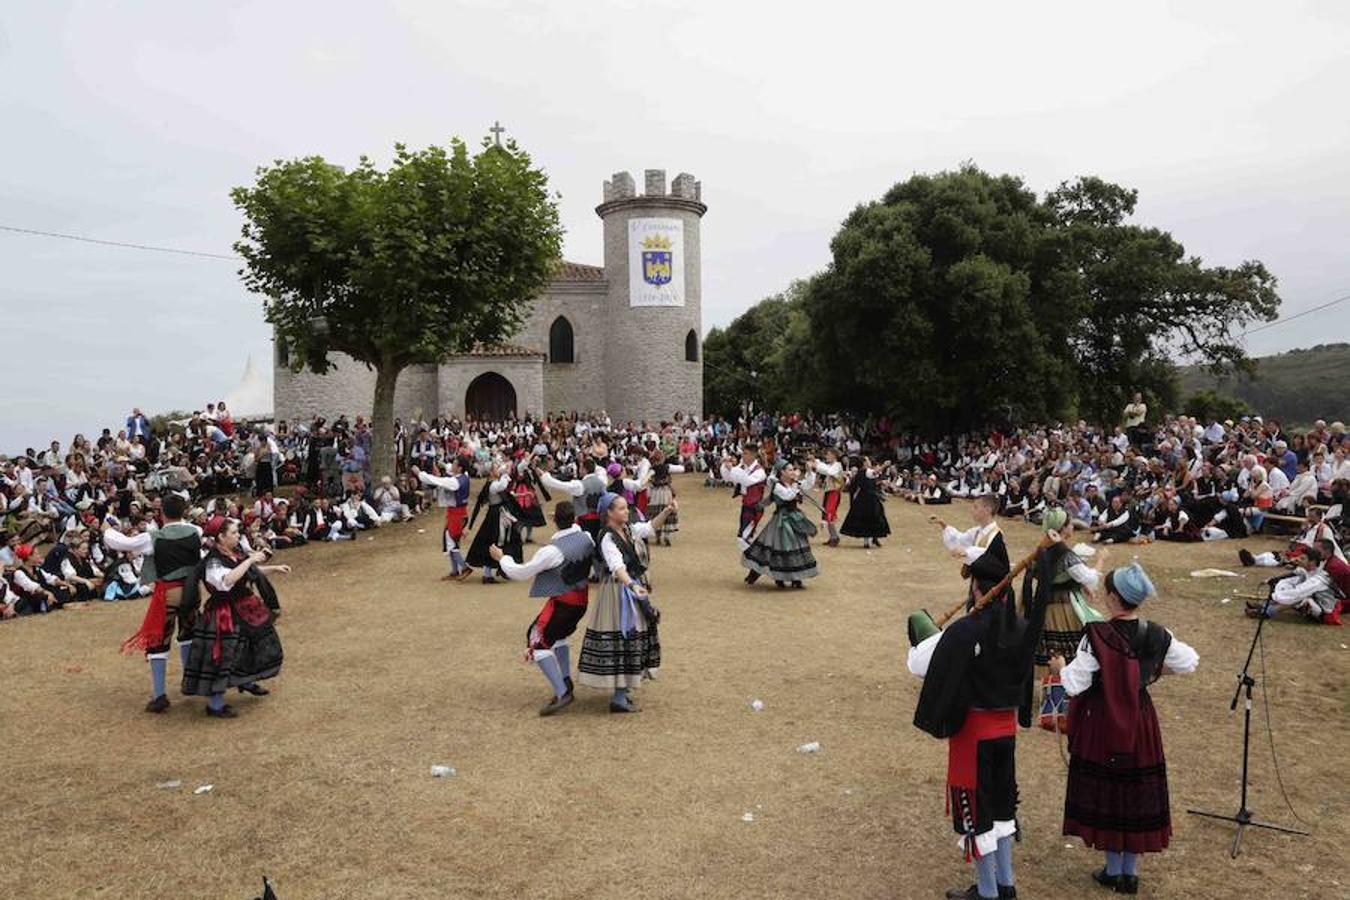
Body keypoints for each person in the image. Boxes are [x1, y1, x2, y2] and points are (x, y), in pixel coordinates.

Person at [907, 530, 1057, 900]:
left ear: (978, 588)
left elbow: (917, 664)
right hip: (1005, 733)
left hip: (973, 737)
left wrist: (928, 636)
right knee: (1002, 810)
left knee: (981, 814)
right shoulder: (1020, 628)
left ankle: (988, 892)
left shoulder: (965, 631)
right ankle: (1004, 885)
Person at [1052, 563, 1199, 895]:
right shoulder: (1158, 634)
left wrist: (1060, 668)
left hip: (1104, 719)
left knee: (1109, 790)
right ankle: (1127, 874)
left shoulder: (1096, 636)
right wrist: (1147, 674)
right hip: (1139, 719)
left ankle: (1113, 870)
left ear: (1114, 598)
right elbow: (1188, 661)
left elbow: (1075, 683)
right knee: (1134, 791)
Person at [491, 501, 597, 715]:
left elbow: (521, 573)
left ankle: (562, 692)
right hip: (580, 602)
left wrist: (503, 558)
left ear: (554, 520)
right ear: (574, 519)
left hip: (563, 605)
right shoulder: (586, 538)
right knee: (560, 637)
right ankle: (565, 681)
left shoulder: (551, 551)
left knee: (537, 642)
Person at [576, 492, 674, 713]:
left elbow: (649, 528)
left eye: (625, 507)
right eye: (620, 508)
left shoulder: (628, 529)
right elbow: (616, 566)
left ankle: (623, 692)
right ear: (608, 513)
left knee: (632, 636)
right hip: (617, 593)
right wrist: (631, 585)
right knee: (623, 637)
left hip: (630, 588)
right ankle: (619, 697)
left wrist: (666, 512)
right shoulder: (608, 537)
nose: (625, 511)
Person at [181, 519, 289, 718]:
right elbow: (226, 581)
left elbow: (243, 572)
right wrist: (251, 560)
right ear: (221, 537)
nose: (238, 535)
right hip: (224, 614)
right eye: (233, 532)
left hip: (242, 608)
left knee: (248, 648)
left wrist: (273, 568)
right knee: (222, 658)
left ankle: (245, 681)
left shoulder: (232, 553)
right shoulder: (213, 561)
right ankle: (215, 705)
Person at [108, 494, 203, 713]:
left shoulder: (154, 537)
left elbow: (120, 543)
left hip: (168, 592)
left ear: (162, 513)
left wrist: (109, 527)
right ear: (184, 512)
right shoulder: (195, 531)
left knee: (159, 642)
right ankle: (190, 681)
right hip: (192, 591)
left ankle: (160, 695)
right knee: (188, 634)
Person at [1024, 509, 1106, 729]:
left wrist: (1080, 585)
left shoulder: (1043, 549)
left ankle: (1054, 702)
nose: (1073, 528)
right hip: (1064, 608)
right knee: (1067, 651)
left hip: (1045, 607)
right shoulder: (1065, 553)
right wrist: (1100, 561)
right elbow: (1089, 577)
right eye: (1070, 524)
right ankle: (1061, 706)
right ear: (1063, 528)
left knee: (1053, 650)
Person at [742, 461, 818, 589]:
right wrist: (795, 484)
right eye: (789, 470)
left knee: (796, 547)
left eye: (793, 469)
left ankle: (795, 578)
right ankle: (770, 576)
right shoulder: (777, 486)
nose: (793, 471)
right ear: (782, 472)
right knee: (775, 547)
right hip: (780, 521)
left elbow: (807, 484)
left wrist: (810, 472)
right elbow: (788, 496)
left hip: (794, 519)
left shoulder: (794, 484)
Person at [414, 459, 474, 581]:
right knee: (451, 542)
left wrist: (419, 473)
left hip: (456, 516)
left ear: (460, 468)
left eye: (455, 464)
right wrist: (443, 464)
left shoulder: (455, 482)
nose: (452, 466)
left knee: (452, 544)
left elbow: (437, 481)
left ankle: (464, 568)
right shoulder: (464, 477)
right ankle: (455, 571)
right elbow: (450, 472)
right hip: (458, 514)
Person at [465, 463, 520, 584]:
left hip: (494, 514)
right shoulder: (494, 485)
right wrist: (506, 474)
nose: (498, 469)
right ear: (490, 472)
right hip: (497, 516)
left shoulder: (490, 484)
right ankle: (493, 572)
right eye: (495, 468)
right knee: (498, 541)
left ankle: (493, 572)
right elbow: (503, 485)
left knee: (492, 541)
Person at [721, 445, 768, 550]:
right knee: (745, 537)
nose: (743, 456)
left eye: (745, 453)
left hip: (755, 507)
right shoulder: (743, 467)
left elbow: (746, 481)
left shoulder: (760, 471)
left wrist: (732, 468)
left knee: (744, 538)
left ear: (753, 455)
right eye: (743, 453)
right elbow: (728, 478)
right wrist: (726, 465)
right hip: (747, 506)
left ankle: (756, 558)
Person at [840, 457, 891, 548]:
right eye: (867, 460)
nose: (869, 462)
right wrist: (884, 465)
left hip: (863, 498)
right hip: (868, 499)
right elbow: (874, 473)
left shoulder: (861, 472)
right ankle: (868, 541)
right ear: (864, 463)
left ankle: (873, 538)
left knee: (871, 518)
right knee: (871, 518)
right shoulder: (866, 471)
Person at [646, 450, 685, 546]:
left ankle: (657, 536)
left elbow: (647, 482)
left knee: (656, 514)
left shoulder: (651, 470)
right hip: (666, 492)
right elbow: (682, 469)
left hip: (655, 493)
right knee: (667, 512)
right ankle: (667, 537)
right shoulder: (667, 467)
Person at [811, 448, 847, 546]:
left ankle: (834, 537)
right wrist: (817, 462)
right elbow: (826, 468)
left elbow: (829, 472)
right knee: (827, 513)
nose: (826, 456)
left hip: (834, 492)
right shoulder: (832, 465)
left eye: (828, 454)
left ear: (833, 456)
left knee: (829, 513)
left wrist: (817, 465)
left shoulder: (837, 465)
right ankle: (833, 537)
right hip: (830, 492)